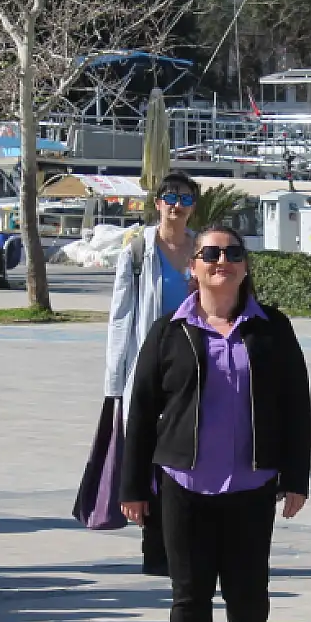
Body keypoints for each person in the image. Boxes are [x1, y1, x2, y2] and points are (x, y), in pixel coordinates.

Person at [121, 225, 311, 622]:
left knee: (249, 596)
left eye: (231, 253)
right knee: (189, 598)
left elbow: (297, 405)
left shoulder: (272, 329)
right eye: (210, 253)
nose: (221, 261)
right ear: (194, 267)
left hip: (252, 486)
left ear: (245, 265)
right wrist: (132, 486)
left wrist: (296, 477)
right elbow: (139, 413)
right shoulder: (168, 331)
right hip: (184, 486)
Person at [102, 172, 197, 574]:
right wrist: (115, 382)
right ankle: (154, 545)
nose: (177, 205)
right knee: (150, 453)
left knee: (187, 449)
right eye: (170, 197)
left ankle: (186, 540)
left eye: (186, 198)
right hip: (151, 363)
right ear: (157, 202)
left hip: (196, 363)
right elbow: (121, 316)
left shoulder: (205, 250)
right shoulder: (138, 250)